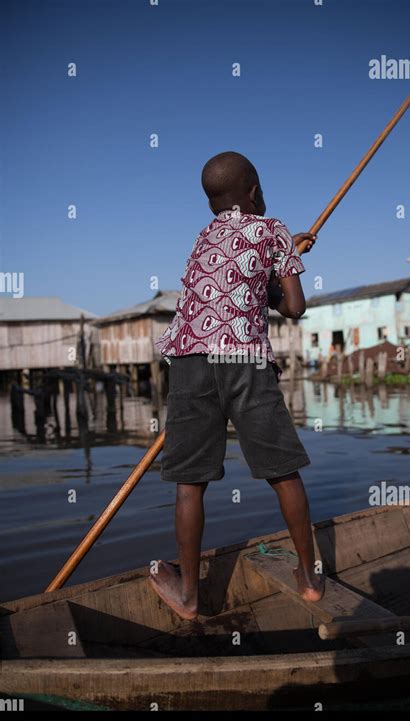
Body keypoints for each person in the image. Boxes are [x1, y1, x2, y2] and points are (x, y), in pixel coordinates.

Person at [151, 151, 324, 620]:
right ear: (253, 191)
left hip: (189, 359)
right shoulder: (273, 230)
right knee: (283, 470)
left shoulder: (204, 236)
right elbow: (293, 306)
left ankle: (189, 596)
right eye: (260, 187)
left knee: (190, 483)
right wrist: (286, 256)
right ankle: (309, 581)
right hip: (244, 359)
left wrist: (283, 257)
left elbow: (235, 283)